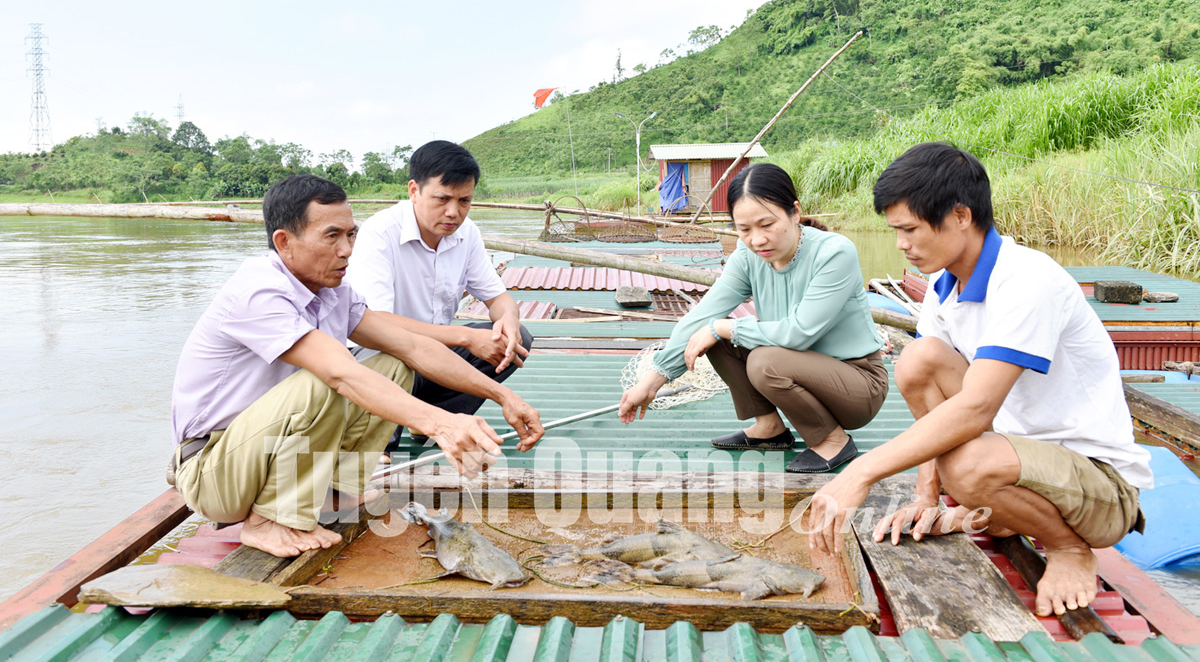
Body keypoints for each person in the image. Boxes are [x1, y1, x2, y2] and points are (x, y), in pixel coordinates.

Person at [808, 142, 1152, 618]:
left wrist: (860, 472)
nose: (902, 245)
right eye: (896, 232)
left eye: (909, 230)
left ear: (961, 215)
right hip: (1023, 462)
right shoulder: (945, 286)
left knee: (967, 465)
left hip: (1099, 485)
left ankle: (1068, 548)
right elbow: (933, 387)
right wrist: (925, 496)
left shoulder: (1027, 279)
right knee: (918, 359)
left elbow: (975, 409)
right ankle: (995, 509)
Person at [170, 174, 544, 559]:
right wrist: (443, 424)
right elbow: (339, 373)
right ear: (284, 242)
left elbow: (414, 347)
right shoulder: (258, 291)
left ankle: (336, 489)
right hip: (216, 473)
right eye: (332, 237)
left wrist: (502, 395)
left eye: (351, 235)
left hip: (267, 455)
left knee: (393, 364)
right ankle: (268, 520)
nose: (347, 250)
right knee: (327, 375)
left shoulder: (334, 292)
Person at [618, 163, 888, 473]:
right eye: (744, 230)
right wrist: (651, 382)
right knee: (709, 334)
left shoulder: (834, 253)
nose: (757, 240)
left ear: (795, 212)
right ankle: (769, 427)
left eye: (767, 225)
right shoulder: (747, 258)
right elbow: (702, 316)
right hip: (796, 367)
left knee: (754, 355)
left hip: (856, 385)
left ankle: (832, 440)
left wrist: (724, 327)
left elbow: (799, 333)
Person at [347, 141, 534, 454]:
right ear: (414, 191)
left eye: (464, 200)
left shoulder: (467, 233)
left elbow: (498, 298)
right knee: (394, 357)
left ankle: (427, 421)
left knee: (516, 341)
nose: (453, 212)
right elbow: (376, 321)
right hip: (379, 355)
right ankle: (380, 447)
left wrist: (509, 322)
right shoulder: (380, 232)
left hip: (434, 353)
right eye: (442, 199)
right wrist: (464, 337)